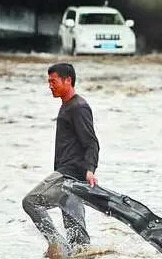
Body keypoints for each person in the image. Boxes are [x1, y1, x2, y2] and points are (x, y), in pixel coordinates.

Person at [22, 63, 99, 258]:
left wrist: (90, 169)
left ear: (68, 80)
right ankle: (66, 250)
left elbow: (91, 143)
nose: (50, 85)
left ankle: (57, 244)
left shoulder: (78, 107)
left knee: (30, 202)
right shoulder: (67, 105)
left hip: (69, 176)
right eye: (48, 81)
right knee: (80, 246)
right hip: (74, 180)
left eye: (53, 81)